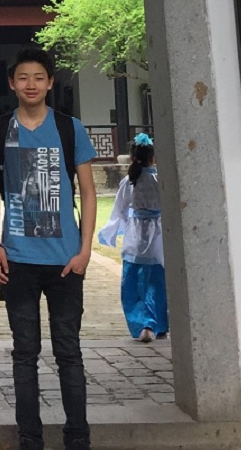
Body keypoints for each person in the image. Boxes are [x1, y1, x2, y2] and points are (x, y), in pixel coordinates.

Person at [0, 45, 98, 450]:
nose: (30, 84)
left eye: (38, 77)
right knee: (24, 354)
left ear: (50, 82)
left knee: (69, 352)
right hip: (18, 258)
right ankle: (29, 438)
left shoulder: (70, 128)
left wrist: (84, 251)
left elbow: (86, 190)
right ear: (12, 84)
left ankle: (77, 436)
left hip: (66, 260)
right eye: (22, 78)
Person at [98, 133, 168, 343]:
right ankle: (158, 323)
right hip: (158, 239)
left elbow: (119, 211)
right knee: (157, 282)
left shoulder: (129, 181)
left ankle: (142, 324)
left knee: (134, 283)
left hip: (135, 237)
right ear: (153, 158)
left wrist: (112, 232)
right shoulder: (161, 180)